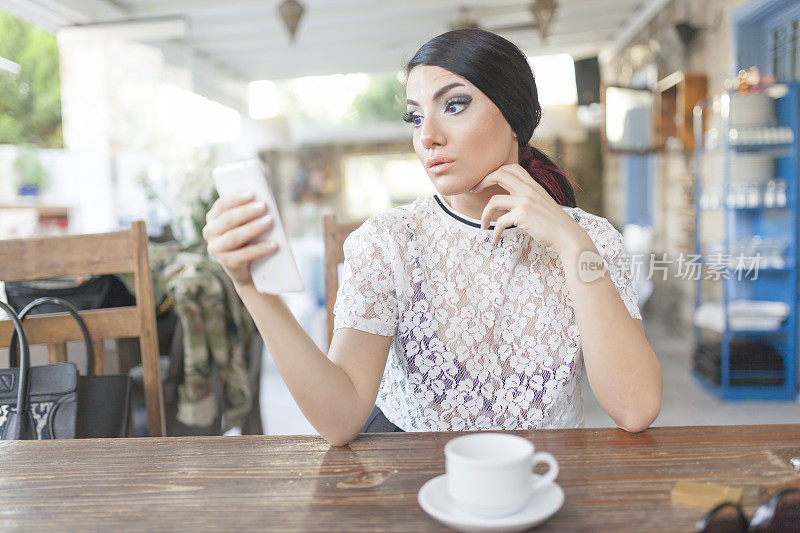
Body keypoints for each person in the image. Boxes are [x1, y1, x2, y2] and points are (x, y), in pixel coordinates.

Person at [202, 29, 662, 445]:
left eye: (454, 105)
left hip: (545, 474)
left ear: (515, 114)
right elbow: (340, 420)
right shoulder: (387, 242)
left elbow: (635, 408)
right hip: (414, 473)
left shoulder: (591, 239)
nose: (429, 137)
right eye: (415, 117)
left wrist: (570, 242)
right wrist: (250, 286)